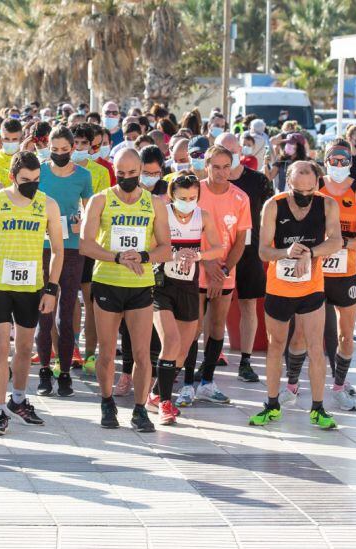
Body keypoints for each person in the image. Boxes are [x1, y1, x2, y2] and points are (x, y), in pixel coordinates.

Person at [79, 148, 172, 432]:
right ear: (114, 172)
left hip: (140, 285)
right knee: (107, 353)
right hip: (108, 281)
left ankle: (140, 409)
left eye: (133, 174)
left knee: (143, 354)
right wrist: (117, 257)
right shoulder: (100, 201)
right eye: (121, 174)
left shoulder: (153, 203)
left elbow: (166, 248)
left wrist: (142, 256)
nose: (127, 179)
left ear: (141, 170)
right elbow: (86, 245)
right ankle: (107, 403)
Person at [0, 151, 65, 435]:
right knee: (1, 348)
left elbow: (59, 250)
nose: (32, 185)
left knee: (25, 348)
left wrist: (52, 288)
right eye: (26, 180)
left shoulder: (47, 204)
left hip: (31, 286)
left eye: (37, 180)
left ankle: (19, 399)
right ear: (13, 177)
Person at [249, 161, 343, 430]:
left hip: (311, 287)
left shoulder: (327, 205)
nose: (304, 198)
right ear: (288, 183)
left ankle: (317, 408)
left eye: (309, 191)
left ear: (317, 183)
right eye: (297, 192)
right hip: (279, 287)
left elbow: (336, 241)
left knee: (316, 348)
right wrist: (287, 253)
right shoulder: (273, 206)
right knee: (275, 347)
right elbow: (264, 252)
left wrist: (311, 253)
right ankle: (271, 404)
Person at [285, 142, 356, 412]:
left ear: (349, 162)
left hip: (344, 273)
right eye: (332, 161)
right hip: (313, 271)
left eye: (342, 160)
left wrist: (341, 243)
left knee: (346, 334)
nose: (337, 165)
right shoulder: (314, 186)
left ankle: (338, 386)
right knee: (300, 331)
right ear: (325, 162)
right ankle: (291, 385)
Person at [176, 142, 252, 407]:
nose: (221, 172)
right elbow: (183, 233)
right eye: (216, 167)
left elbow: (240, 240)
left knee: (217, 326)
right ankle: (186, 384)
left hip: (223, 272)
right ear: (205, 166)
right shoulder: (194, 193)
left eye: (226, 167)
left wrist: (223, 270)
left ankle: (207, 380)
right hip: (194, 269)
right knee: (192, 326)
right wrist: (206, 264)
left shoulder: (241, 197)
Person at [149, 173, 224, 424]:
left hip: (189, 286)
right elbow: (149, 248)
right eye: (183, 198)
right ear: (172, 195)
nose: (188, 202)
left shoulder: (203, 216)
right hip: (161, 285)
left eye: (193, 197)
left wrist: (198, 255)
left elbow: (218, 247)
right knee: (170, 342)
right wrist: (173, 253)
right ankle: (166, 404)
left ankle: (156, 394)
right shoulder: (162, 213)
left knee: (183, 348)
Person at [35, 126, 92, 397]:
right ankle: (44, 370)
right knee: (44, 313)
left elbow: (90, 210)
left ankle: (65, 372)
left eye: (64, 150)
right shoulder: (40, 172)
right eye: (54, 149)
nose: (59, 154)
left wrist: (83, 221)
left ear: (73, 148)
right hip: (42, 248)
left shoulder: (83, 175)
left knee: (65, 315)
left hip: (70, 249)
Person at [228, 140, 274, 383]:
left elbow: (271, 212)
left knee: (248, 305)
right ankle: (207, 358)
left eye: (233, 152)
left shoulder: (258, 180)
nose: (229, 158)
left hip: (250, 251)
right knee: (212, 306)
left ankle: (245, 361)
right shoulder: (211, 182)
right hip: (220, 253)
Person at [0, 118, 23, 188]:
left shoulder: (28, 158)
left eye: (15, 139)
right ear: (1, 138)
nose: (10, 142)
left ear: (21, 139)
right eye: (6, 139)